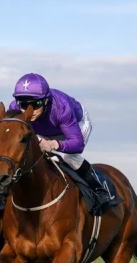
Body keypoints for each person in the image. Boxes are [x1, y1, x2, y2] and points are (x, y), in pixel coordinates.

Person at [8, 72, 110, 202]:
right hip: (43, 132)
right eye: (24, 104)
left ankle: (98, 189)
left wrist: (54, 144)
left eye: (36, 104)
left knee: (69, 157)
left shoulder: (61, 107)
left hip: (76, 126)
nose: (30, 110)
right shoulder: (14, 109)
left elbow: (77, 144)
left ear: (45, 100)